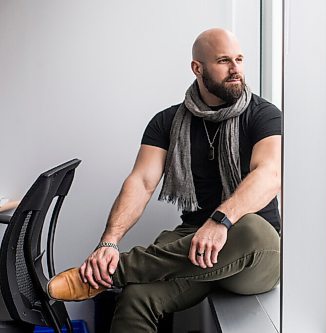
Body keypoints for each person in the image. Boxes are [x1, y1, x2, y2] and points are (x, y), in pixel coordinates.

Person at [47, 28, 281, 332]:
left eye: (239, 59)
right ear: (198, 68)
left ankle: (111, 273)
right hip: (192, 245)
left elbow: (269, 174)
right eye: (224, 60)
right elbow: (141, 182)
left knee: (250, 228)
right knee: (136, 297)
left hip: (251, 252)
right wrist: (109, 241)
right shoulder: (168, 122)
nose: (236, 68)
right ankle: (115, 269)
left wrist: (221, 221)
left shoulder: (264, 115)